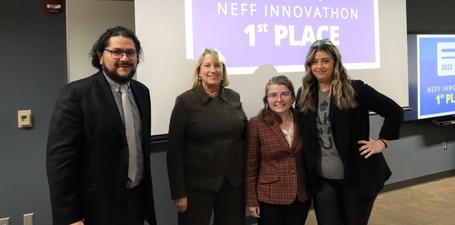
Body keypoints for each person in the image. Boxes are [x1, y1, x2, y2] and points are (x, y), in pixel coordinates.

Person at [46, 26, 157, 225]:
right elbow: (60, 162)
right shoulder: (76, 94)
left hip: (136, 200)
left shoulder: (142, 92)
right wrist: (69, 217)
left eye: (130, 52)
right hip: (95, 208)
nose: (124, 58)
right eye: (116, 52)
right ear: (100, 56)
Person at [297, 39, 403, 225]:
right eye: (314, 62)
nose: (319, 66)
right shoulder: (304, 93)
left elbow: (394, 111)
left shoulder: (355, 89)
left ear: (335, 63)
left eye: (325, 60)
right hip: (323, 179)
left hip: (356, 176)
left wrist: (381, 142)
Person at [167, 48, 247, 225]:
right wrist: (179, 193)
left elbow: (243, 133)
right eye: (207, 65)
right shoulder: (185, 101)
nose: (213, 70)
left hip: (232, 183)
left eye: (217, 65)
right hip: (197, 186)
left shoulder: (234, 97)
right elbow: (175, 150)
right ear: (199, 71)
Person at [245, 75, 311, 225]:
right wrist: (252, 200)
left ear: (293, 97)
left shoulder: (303, 119)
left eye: (285, 94)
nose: (279, 99)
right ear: (266, 99)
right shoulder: (257, 124)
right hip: (269, 198)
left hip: (300, 195)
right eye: (273, 95)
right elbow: (251, 166)